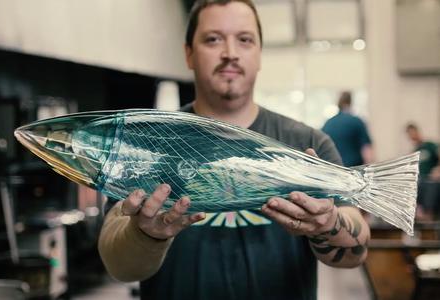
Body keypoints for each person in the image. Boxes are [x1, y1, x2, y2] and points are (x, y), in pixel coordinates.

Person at [98, 1, 370, 299]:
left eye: (245, 39)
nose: (230, 53)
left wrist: (328, 225)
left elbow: (355, 252)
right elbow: (118, 264)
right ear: (188, 53)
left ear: (259, 54)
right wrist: (144, 235)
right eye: (213, 39)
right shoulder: (147, 145)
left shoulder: (307, 144)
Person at [322, 91, 373, 167]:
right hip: (353, 172)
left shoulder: (328, 123)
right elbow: (367, 151)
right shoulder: (356, 122)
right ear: (350, 103)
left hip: (333, 172)